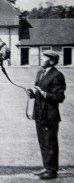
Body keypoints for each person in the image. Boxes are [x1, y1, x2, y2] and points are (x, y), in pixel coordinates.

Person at [27, 50, 66, 180]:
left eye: (44, 58)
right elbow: (38, 91)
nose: (40, 59)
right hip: (39, 114)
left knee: (50, 143)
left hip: (50, 115)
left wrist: (43, 93)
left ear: (52, 61)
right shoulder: (40, 73)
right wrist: (32, 94)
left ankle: (52, 171)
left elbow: (60, 97)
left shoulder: (57, 75)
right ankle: (46, 167)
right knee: (43, 142)